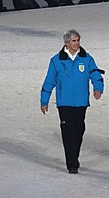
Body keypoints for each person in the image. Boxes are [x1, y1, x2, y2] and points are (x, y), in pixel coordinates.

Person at [40, 30, 104, 174]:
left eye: (78, 40)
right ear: (67, 43)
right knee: (68, 132)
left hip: (81, 102)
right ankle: (72, 163)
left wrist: (98, 88)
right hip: (65, 103)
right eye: (74, 41)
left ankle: (74, 157)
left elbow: (95, 74)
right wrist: (44, 101)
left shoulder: (87, 58)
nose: (77, 43)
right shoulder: (56, 60)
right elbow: (49, 81)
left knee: (79, 130)